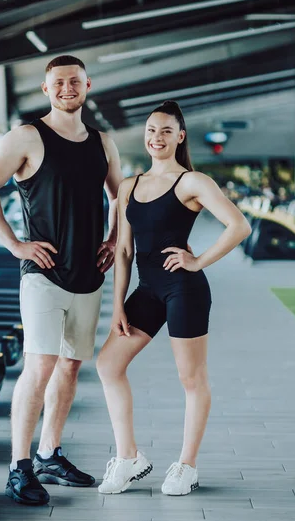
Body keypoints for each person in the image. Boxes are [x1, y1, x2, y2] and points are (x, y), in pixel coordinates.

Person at [0, 55, 123, 505]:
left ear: (87, 85)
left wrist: (113, 240)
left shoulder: (102, 143)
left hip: (88, 274)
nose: (67, 88)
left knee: (71, 365)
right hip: (43, 273)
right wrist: (15, 245)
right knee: (40, 365)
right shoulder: (27, 137)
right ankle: (19, 468)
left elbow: (120, 196)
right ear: (45, 89)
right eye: (59, 82)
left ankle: (49, 454)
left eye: (75, 81)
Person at [96, 100, 251, 496]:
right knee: (109, 363)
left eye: (166, 131)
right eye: (151, 130)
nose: (156, 137)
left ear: (180, 136)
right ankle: (129, 458)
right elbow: (125, 251)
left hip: (184, 288)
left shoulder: (192, 183)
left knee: (191, 378)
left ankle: (186, 466)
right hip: (147, 290)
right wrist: (116, 305)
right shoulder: (129, 186)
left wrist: (198, 261)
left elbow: (239, 226)